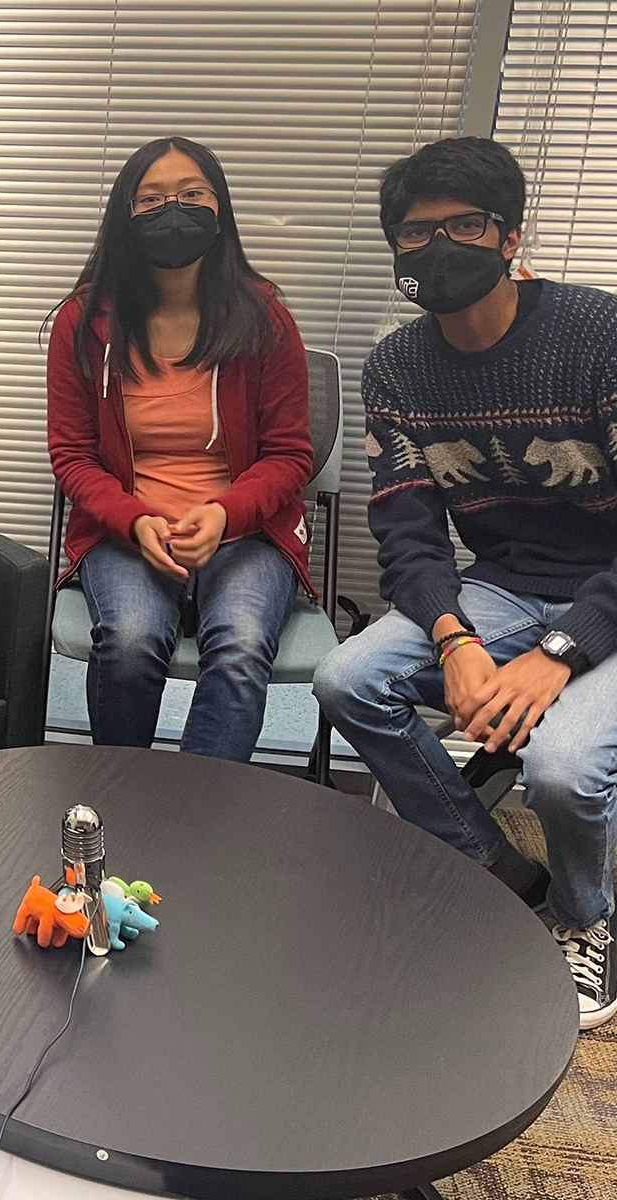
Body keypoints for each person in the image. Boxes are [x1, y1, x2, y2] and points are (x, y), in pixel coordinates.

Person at [313, 137, 617, 1031]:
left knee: (562, 771)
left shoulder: (598, 337)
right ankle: (492, 868)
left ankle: (584, 916)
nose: (439, 246)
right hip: (504, 587)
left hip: (609, 591)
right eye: (416, 232)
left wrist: (559, 657)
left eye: (466, 225)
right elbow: (406, 526)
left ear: (510, 236)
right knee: (347, 679)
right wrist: (453, 636)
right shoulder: (398, 368)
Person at [47, 137, 313, 762]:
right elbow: (72, 457)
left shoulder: (263, 317)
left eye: (192, 195)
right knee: (132, 640)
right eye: (152, 199)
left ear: (219, 210)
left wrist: (225, 515)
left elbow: (290, 455)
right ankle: (123, 799)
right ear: (124, 216)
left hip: (245, 530)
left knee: (242, 644)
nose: (174, 209)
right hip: (126, 530)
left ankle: (201, 822)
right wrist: (134, 521)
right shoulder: (83, 322)